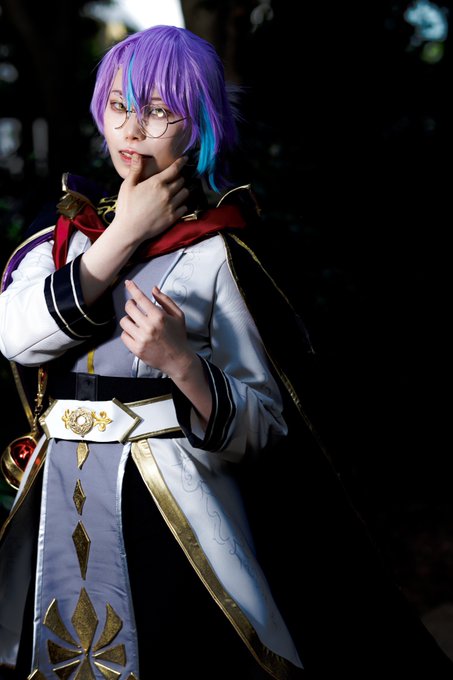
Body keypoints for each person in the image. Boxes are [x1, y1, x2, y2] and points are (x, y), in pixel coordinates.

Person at [0, 23, 452, 680]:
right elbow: (15, 338)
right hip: (56, 500)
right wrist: (123, 234)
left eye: (159, 110)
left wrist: (182, 362)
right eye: (120, 104)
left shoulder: (216, 251)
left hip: (172, 510)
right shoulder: (64, 237)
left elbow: (265, 423)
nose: (132, 127)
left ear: (199, 124)